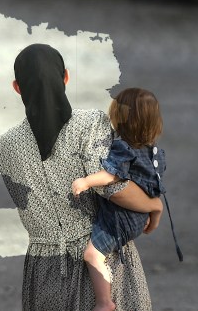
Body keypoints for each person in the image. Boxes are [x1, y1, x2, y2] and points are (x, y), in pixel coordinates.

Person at [0, 44, 163, 310]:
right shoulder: (92, 123)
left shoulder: (4, 146)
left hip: (44, 268)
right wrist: (154, 205)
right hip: (102, 260)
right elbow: (114, 189)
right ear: (66, 78)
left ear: (17, 87)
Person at [71, 87, 183, 311]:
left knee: (93, 254)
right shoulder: (155, 153)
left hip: (123, 217)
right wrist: (154, 211)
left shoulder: (123, 148)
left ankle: (105, 302)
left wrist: (86, 182)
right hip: (140, 216)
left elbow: (112, 176)